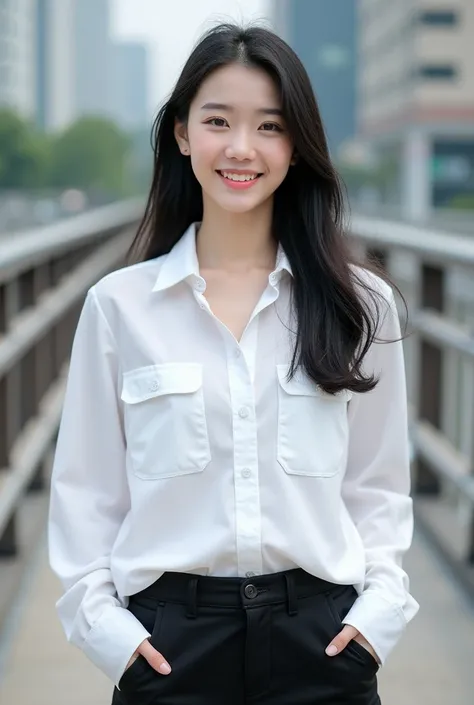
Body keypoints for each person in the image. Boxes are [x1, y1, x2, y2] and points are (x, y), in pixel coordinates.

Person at [48, 22, 419, 705]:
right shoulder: (119, 307)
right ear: (183, 133)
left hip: (325, 641)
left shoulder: (360, 304)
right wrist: (114, 638)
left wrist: (376, 619)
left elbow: (378, 487)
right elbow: (85, 498)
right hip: (168, 650)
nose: (242, 148)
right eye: (219, 121)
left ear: (297, 146)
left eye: (270, 126)